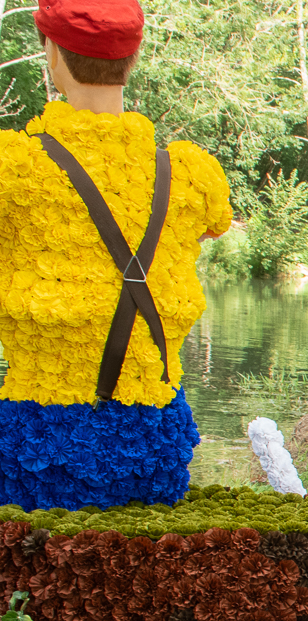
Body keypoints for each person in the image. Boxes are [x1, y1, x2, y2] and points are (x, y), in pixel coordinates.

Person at [0, 0, 231, 512]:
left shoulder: (14, 167)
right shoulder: (189, 174)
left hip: (38, 443)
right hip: (154, 443)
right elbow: (212, 227)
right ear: (134, 56)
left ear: (51, 52)